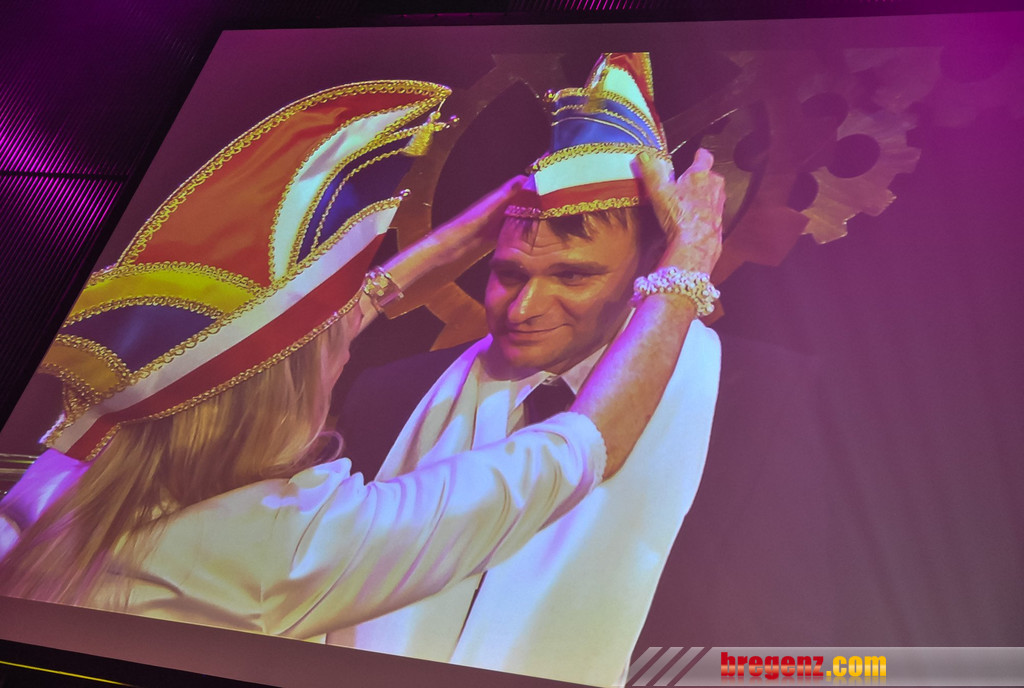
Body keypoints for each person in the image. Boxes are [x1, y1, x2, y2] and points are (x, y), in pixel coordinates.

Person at [0, 77, 725, 642]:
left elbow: (317, 320)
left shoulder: (67, 470)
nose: (350, 339)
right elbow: (578, 448)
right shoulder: (286, 544)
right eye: (334, 350)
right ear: (281, 401)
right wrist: (690, 260)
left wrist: (506, 209)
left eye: (570, 275)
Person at [335, 54, 724, 685]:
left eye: (572, 275)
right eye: (509, 273)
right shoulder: (387, 397)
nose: (523, 309)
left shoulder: (745, 413)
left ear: (650, 270)